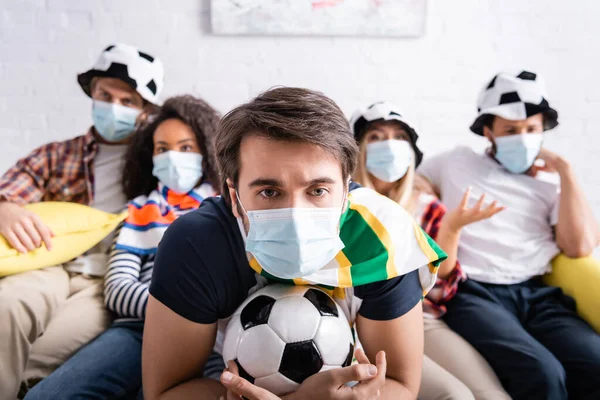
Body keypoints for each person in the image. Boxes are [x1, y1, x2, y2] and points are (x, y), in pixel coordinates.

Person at [142, 87, 447, 399]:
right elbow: (166, 391)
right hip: (226, 373)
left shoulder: (383, 237)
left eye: (317, 191)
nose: (296, 216)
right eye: (269, 192)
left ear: (345, 193)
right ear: (235, 198)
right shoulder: (196, 244)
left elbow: (399, 383)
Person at [418, 71, 600, 400]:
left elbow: (580, 246)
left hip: (536, 293)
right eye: (511, 131)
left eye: (531, 129)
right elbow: (410, 186)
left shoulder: (552, 181)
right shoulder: (456, 162)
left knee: (593, 359)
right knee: (542, 371)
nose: (523, 138)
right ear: (488, 132)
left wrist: (566, 169)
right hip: (473, 293)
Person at [25, 95, 221, 399]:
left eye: (185, 148)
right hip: (138, 332)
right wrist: (186, 313)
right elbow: (118, 289)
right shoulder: (139, 211)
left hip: (215, 336)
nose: (173, 157)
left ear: (206, 152)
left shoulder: (227, 210)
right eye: (162, 149)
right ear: (150, 157)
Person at [0, 43, 164, 399]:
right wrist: (5, 207)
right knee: (5, 309)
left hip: (106, 282)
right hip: (48, 263)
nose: (113, 108)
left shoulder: (156, 162)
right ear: (91, 92)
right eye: (105, 95)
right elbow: (12, 187)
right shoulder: (57, 154)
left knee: (38, 358)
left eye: (127, 101)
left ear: (144, 110)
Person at [350, 101, 510, 400]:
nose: (390, 146)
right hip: (366, 322)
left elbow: (439, 292)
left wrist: (451, 229)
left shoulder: (426, 207)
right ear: (356, 149)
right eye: (375, 137)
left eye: (400, 138)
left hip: (423, 319)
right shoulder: (343, 209)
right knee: (455, 396)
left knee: (492, 395)